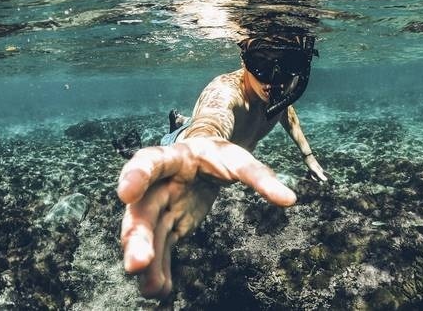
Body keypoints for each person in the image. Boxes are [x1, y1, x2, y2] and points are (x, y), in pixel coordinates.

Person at [117, 35, 327, 297]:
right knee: (162, 154)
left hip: (220, 157)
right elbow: (211, 121)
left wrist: (308, 156)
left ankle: (182, 122)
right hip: (185, 149)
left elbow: (285, 111)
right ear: (244, 59)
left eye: (288, 62)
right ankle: (156, 139)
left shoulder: (278, 91)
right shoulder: (226, 91)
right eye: (261, 61)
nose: (274, 78)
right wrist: (200, 144)